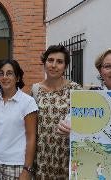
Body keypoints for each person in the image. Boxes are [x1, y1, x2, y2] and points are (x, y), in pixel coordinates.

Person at [0, 59, 38, 180]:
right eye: (1, 73)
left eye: (9, 73)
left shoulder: (27, 102)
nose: (5, 77)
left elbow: (31, 138)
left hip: (15, 165)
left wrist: (27, 169)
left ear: (18, 78)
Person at [30, 45, 82, 179]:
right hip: (42, 157)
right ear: (44, 63)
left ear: (65, 66)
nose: (54, 65)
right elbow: (31, 126)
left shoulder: (76, 90)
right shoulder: (35, 90)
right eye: (50, 60)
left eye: (59, 62)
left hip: (66, 155)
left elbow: (84, 123)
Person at [57, 48, 111, 134]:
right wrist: (65, 126)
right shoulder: (87, 99)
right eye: (108, 66)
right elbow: (70, 124)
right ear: (100, 71)